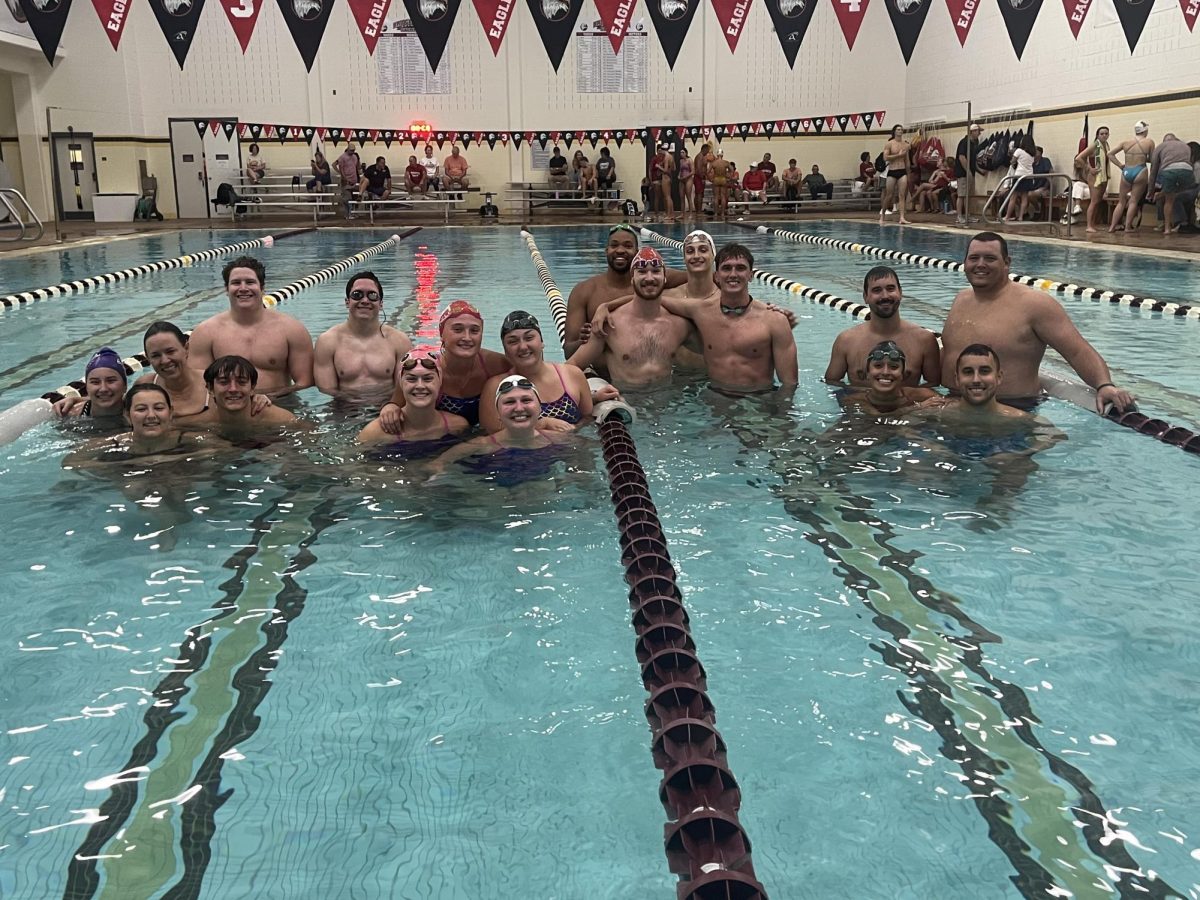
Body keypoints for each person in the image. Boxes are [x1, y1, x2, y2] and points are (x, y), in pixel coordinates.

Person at [940, 233, 1135, 413]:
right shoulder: (961, 299)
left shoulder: (1035, 304)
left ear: (1007, 263)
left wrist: (1104, 385)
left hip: (1013, 410)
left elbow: (1077, 350)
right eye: (974, 258)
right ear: (964, 262)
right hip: (954, 404)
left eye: (990, 258)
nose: (980, 264)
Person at [654, 243, 798, 395]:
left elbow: (790, 384)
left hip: (759, 402)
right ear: (716, 276)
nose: (733, 274)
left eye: (740, 268)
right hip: (715, 400)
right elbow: (653, 299)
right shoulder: (701, 311)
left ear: (751, 275)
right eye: (726, 268)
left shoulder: (774, 320)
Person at [568, 247, 698, 390]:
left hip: (668, 405)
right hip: (626, 405)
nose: (649, 278)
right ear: (632, 279)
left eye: (656, 271)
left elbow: (714, 354)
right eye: (642, 272)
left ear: (664, 278)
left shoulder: (679, 325)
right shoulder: (610, 325)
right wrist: (591, 397)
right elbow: (572, 365)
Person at [188, 256, 315, 399]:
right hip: (226, 409)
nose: (243, 288)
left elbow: (306, 382)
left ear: (262, 288)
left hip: (280, 406)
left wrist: (270, 398)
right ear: (226, 289)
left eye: (250, 282)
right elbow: (199, 384)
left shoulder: (291, 329)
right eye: (236, 283)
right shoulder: (205, 332)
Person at [378, 300, 510, 432]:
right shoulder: (426, 370)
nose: (467, 337)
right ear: (442, 335)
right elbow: (396, 403)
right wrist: (389, 408)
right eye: (458, 330)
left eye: (474, 331)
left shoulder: (495, 365)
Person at [563, 224, 686, 356]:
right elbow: (568, 351)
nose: (620, 250)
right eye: (614, 245)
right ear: (606, 250)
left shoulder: (652, 281)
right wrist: (583, 341)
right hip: (599, 373)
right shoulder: (584, 291)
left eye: (627, 246)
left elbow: (698, 277)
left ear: (637, 252)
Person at [431, 375, 581, 481]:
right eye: (509, 402)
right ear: (498, 413)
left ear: (539, 408)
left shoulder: (558, 439)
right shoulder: (481, 445)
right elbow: (436, 464)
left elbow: (583, 463)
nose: (519, 408)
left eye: (526, 400)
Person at [480, 311, 597, 433]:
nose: (523, 347)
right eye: (513, 341)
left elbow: (587, 420)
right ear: (505, 351)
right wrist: (540, 425)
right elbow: (493, 437)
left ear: (542, 342)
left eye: (529, 338)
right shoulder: (495, 387)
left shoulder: (572, 375)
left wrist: (570, 433)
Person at [825, 266, 940, 388]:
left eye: (890, 289)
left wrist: (904, 400)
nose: (885, 296)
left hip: (909, 406)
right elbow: (832, 383)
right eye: (876, 290)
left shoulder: (924, 340)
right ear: (865, 297)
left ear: (900, 293)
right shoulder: (846, 341)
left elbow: (934, 385)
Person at [314, 271, 413, 402]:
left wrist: (389, 408)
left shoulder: (399, 341)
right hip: (345, 411)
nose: (365, 300)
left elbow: (404, 388)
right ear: (347, 302)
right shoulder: (328, 341)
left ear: (381, 303)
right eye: (357, 295)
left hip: (386, 409)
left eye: (372, 295)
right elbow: (326, 390)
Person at [356, 348, 469, 456]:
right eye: (411, 379)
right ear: (401, 383)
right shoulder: (373, 434)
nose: (420, 386)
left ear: (440, 381)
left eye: (428, 378)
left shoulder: (457, 426)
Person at [191, 356, 297, 434]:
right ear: (210, 388)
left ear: (252, 388)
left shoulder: (282, 420)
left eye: (241, 382)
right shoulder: (198, 423)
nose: (233, 389)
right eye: (224, 382)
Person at [840, 341, 937, 415]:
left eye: (894, 367)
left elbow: (949, 407)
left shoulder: (923, 395)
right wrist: (918, 407)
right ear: (867, 373)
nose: (885, 372)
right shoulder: (854, 401)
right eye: (878, 366)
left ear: (903, 374)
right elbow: (880, 420)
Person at [54, 347, 127, 421]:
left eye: (111, 381)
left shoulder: (135, 411)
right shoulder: (70, 417)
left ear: (125, 386)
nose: (103, 389)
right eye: (95, 382)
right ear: (86, 387)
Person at [1107, 121, 1154, 233]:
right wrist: (1142, 157)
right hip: (1140, 171)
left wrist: (1120, 165)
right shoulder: (1149, 142)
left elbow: (1110, 154)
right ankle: (1127, 227)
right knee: (1133, 201)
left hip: (1126, 171)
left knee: (1121, 202)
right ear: (1145, 130)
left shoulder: (1125, 142)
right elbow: (1153, 160)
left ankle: (1112, 227)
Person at [1146, 133, 1196, 236]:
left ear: (1164, 141)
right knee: (1177, 191)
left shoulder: (1161, 147)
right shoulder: (1185, 146)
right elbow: (1190, 163)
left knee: (1169, 200)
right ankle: (1162, 194)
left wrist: (1150, 191)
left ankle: (1167, 229)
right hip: (1188, 172)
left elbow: (1153, 171)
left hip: (1169, 171)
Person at [1073, 125, 1110, 234]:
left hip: (1103, 176)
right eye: (1101, 134)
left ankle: (1093, 224)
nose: (1104, 135)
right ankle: (1089, 225)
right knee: (1094, 202)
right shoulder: (1094, 145)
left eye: (1106, 133)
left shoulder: (1106, 145)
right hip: (1094, 177)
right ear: (1097, 135)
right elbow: (1079, 158)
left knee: (1098, 201)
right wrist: (1089, 169)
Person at [881, 125, 912, 225]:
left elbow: (907, 160)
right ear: (894, 131)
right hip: (892, 171)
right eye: (898, 129)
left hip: (902, 171)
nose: (900, 131)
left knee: (902, 195)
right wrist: (898, 155)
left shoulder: (906, 145)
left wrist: (909, 173)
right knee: (889, 195)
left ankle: (902, 217)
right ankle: (883, 215)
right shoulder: (889, 144)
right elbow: (885, 158)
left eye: (901, 130)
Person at [1004, 133, 1036, 221]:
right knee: (1024, 197)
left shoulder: (1019, 151)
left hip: (1019, 176)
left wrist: (1013, 160)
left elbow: (1012, 161)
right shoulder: (1032, 154)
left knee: (1013, 197)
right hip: (1029, 176)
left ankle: (1007, 216)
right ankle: (1021, 217)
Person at [955, 123, 983, 226]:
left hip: (971, 172)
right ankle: (959, 216)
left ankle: (968, 215)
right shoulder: (964, 142)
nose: (979, 134)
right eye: (978, 131)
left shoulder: (974, 142)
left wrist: (979, 171)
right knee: (962, 195)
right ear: (973, 132)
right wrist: (968, 171)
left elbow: (973, 159)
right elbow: (962, 157)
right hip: (963, 173)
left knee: (969, 195)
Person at [334, 143, 362, 219]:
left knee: (356, 197)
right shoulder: (342, 157)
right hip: (346, 181)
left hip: (354, 180)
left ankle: (353, 212)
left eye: (353, 150)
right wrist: (345, 178)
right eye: (351, 150)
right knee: (347, 198)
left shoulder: (355, 157)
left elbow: (356, 168)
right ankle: (347, 214)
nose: (352, 152)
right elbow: (341, 169)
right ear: (348, 149)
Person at [651, 143, 676, 220]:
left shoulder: (666, 157)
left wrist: (659, 166)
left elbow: (665, 170)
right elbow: (674, 168)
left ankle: (669, 215)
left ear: (662, 150)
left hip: (665, 178)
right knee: (669, 197)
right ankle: (672, 214)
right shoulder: (671, 156)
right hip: (669, 177)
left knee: (667, 197)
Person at [708, 149, 732, 219]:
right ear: (722, 155)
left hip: (716, 179)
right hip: (723, 179)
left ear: (717, 155)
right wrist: (729, 178)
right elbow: (732, 170)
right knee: (723, 197)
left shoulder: (713, 163)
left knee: (716, 197)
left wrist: (710, 179)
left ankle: (715, 213)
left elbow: (708, 172)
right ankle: (722, 214)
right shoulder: (726, 163)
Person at [678, 148, 694, 213]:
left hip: (688, 179)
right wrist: (679, 176)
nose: (681, 154)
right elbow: (680, 170)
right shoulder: (681, 161)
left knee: (688, 196)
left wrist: (686, 177)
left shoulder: (689, 160)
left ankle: (690, 213)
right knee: (681, 197)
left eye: (683, 152)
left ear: (686, 153)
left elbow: (693, 171)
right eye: (681, 153)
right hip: (682, 179)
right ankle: (682, 213)